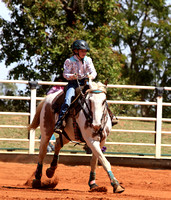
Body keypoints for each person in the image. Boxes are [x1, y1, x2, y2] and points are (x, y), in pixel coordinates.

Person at [54, 40, 97, 132]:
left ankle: (108, 116)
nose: (84, 53)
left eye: (85, 51)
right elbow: (65, 74)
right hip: (73, 83)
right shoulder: (69, 61)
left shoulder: (88, 60)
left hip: (86, 82)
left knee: (98, 96)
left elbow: (93, 72)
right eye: (82, 51)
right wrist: (72, 76)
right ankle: (60, 121)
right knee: (67, 100)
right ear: (76, 51)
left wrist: (91, 76)